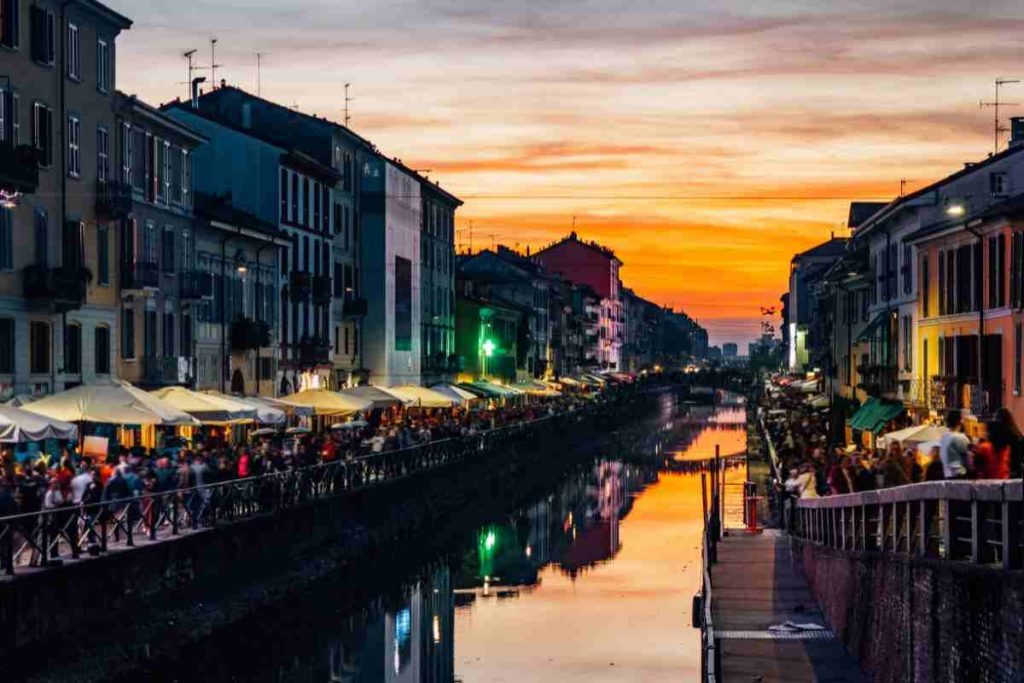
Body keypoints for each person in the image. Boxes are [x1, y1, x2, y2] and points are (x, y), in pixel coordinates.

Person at [939, 410, 971, 479]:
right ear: (960, 421)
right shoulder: (960, 438)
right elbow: (969, 459)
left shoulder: (944, 437)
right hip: (960, 476)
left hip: (947, 476)